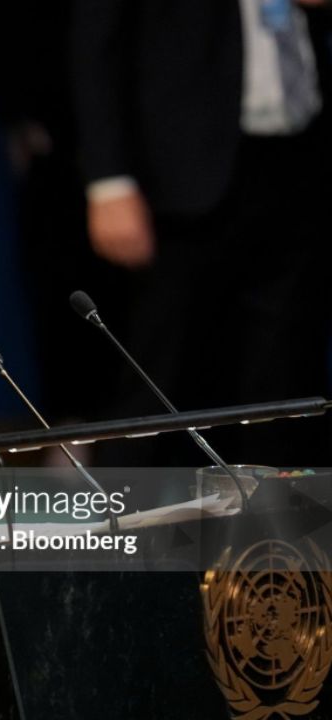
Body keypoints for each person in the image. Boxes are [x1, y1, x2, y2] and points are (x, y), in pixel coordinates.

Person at [71, 0, 332, 468]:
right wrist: (108, 178)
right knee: (159, 382)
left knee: (285, 382)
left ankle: (277, 537)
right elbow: (96, 36)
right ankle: (127, 533)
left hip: (299, 151)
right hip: (179, 171)